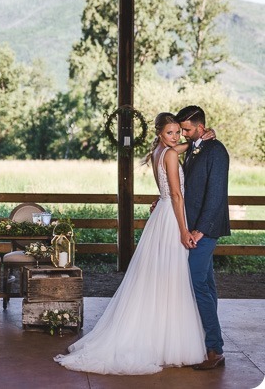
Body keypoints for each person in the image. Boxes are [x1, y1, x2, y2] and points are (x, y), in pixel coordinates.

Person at [54, 112, 206, 375]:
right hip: (171, 219)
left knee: (159, 278)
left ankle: (159, 337)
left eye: (178, 132)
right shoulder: (170, 154)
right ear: (160, 133)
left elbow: (181, 151)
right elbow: (178, 195)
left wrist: (198, 140)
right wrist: (184, 230)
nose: (176, 137)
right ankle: (165, 341)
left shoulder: (160, 151)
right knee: (171, 277)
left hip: (161, 217)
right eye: (170, 132)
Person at [175, 105, 230, 371]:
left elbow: (216, 193)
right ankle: (207, 342)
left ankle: (215, 350)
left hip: (205, 230)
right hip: (194, 225)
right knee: (206, 283)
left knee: (198, 285)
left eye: (187, 129)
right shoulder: (196, 148)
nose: (183, 134)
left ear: (200, 126)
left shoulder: (216, 151)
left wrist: (202, 229)